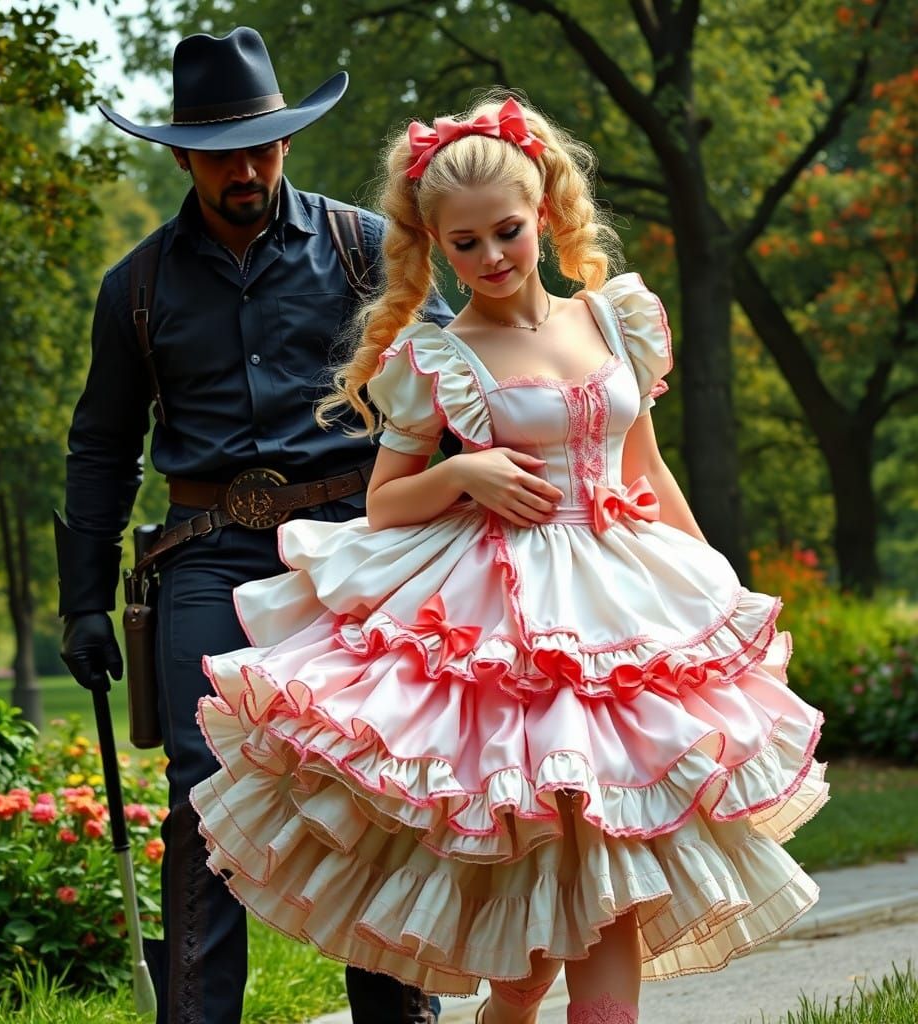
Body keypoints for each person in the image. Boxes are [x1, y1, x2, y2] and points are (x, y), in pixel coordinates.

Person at [188, 93, 830, 1024]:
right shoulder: (440, 356)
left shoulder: (615, 322)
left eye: (507, 232)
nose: (490, 258)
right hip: (506, 632)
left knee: (615, 883)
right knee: (523, 969)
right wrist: (469, 474)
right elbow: (383, 502)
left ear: (544, 216)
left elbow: (646, 469)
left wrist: (717, 592)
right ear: (436, 246)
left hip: (624, 616)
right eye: (465, 244)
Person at [54, 26, 453, 1024]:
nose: (248, 167)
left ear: (288, 142)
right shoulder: (134, 288)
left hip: (356, 558)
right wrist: (81, 601)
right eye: (226, 151)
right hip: (205, 561)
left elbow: (461, 383)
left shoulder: (368, 250)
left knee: (373, 779)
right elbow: (101, 445)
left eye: (265, 146)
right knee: (203, 793)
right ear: (182, 155)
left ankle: (399, 1013)